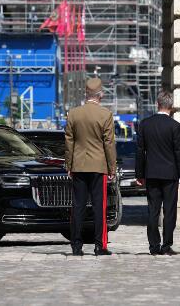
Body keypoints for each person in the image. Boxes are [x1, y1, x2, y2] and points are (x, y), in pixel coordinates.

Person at [64, 77, 117, 256]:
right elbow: (109, 144)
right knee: (99, 207)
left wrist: (69, 165)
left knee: (77, 207)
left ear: (86, 94)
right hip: (98, 166)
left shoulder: (73, 113)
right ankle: (99, 245)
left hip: (78, 165)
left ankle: (76, 246)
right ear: (100, 95)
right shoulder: (105, 115)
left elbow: (69, 142)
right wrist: (112, 168)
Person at [136, 91, 180, 255]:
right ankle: (166, 245)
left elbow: (140, 151)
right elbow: (179, 152)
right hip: (170, 174)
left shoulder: (145, 124)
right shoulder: (175, 126)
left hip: (151, 173)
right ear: (171, 107)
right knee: (169, 211)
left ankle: (153, 245)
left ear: (157, 104)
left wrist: (139, 174)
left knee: (153, 210)